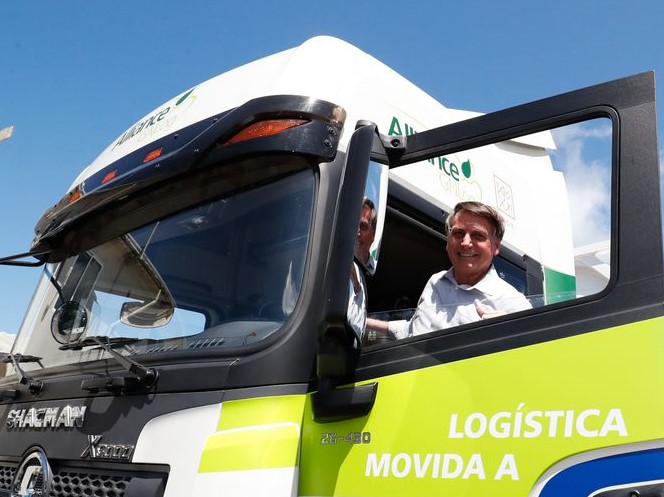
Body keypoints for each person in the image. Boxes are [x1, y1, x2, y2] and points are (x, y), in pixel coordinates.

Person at [366, 201, 531, 339]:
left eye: (478, 236)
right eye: (458, 233)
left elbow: (537, 361)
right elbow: (415, 331)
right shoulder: (436, 282)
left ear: (495, 246)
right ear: (448, 241)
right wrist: (362, 323)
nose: (466, 243)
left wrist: (511, 337)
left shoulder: (513, 302)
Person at [347, 198, 378, 340]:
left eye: (363, 226)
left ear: (373, 235)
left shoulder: (378, 273)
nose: (357, 231)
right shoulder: (338, 264)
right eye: (353, 223)